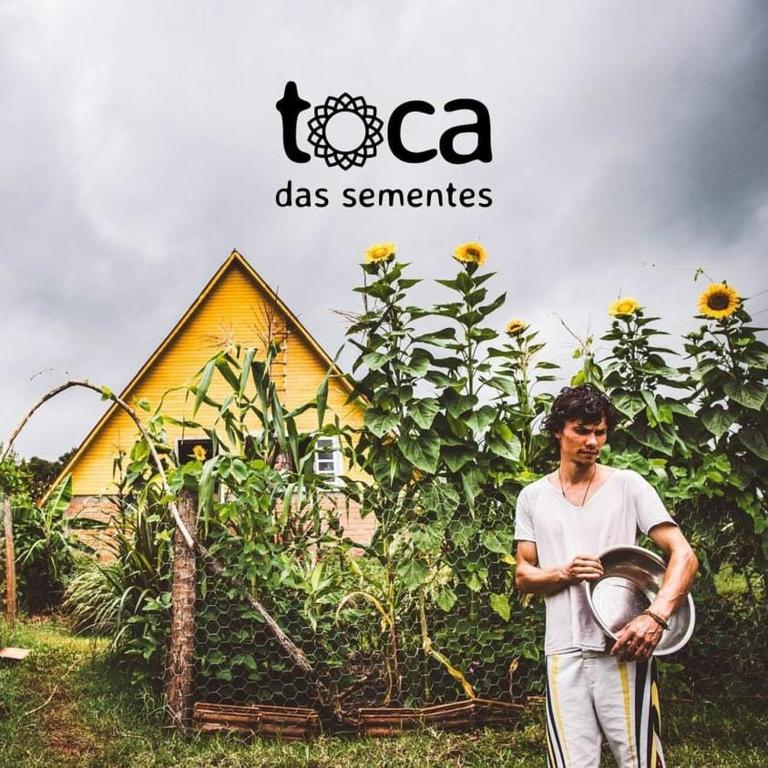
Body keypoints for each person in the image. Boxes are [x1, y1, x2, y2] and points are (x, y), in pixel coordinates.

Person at [514, 384, 698, 768]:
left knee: (640, 759)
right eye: (581, 430)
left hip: (624, 647)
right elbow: (523, 574)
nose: (593, 441)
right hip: (562, 650)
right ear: (557, 431)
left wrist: (655, 616)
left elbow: (684, 554)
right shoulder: (532, 497)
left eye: (599, 431)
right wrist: (563, 572)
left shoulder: (628, 485)